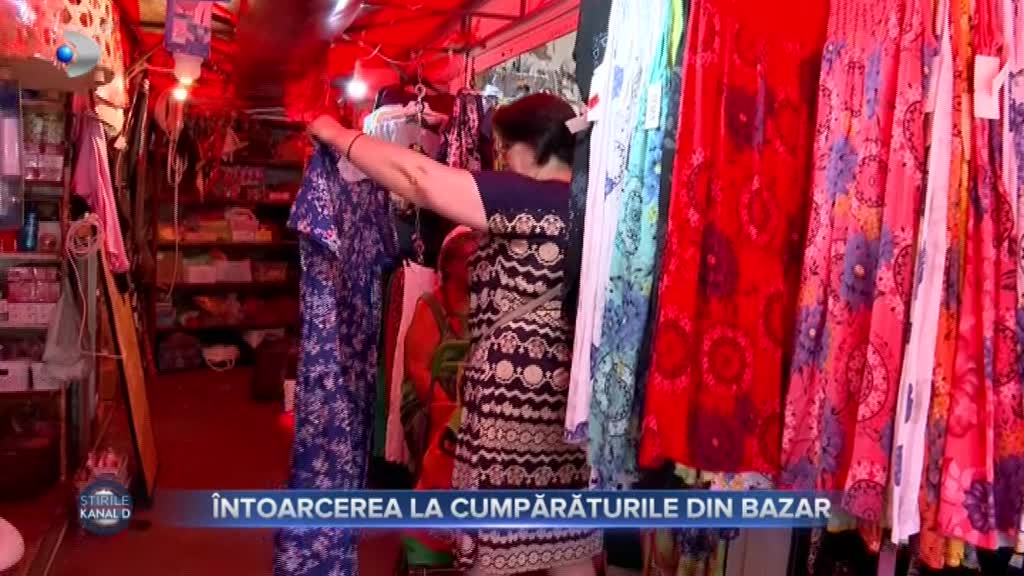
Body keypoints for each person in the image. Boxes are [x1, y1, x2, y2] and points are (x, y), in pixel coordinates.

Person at [308, 93, 600, 576]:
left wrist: (339, 136)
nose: (502, 160)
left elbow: (419, 179)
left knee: (493, 547)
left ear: (532, 147)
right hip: (569, 401)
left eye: (504, 149)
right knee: (566, 544)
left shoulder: (526, 198)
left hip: (514, 405)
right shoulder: (593, 206)